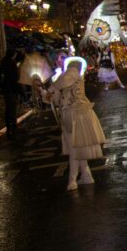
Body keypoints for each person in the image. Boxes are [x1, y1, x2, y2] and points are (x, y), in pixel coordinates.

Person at [44, 52, 106, 191]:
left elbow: (63, 82)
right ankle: (86, 176)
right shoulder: (70, 78)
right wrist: (43, 91)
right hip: (75, 115)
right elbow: (53, 99)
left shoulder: (70, 75)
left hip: (75, 116)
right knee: (78, 147)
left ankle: (72, 180)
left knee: (75, 148)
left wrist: (50, 89)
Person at [0, 49, 23, 140]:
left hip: (6, 89)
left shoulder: (3, 62)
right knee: (12, 108)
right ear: (13, 55)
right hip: (12, 89)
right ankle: (13, 127)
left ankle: (9, 126)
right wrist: (20, 90)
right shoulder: (11, 64)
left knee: (8, 108)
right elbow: (15, 78)